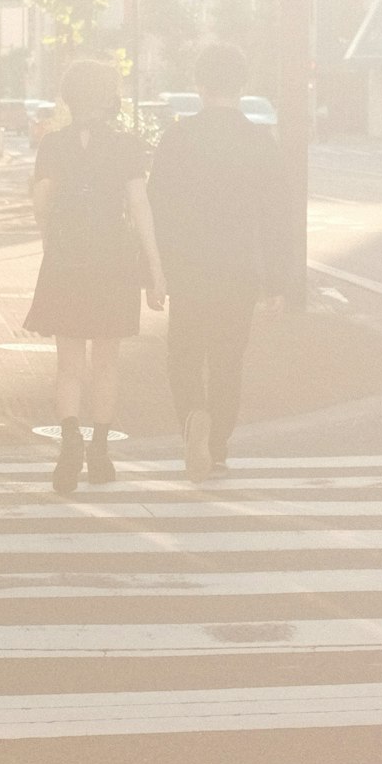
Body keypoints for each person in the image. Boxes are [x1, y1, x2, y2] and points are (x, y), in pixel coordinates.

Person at [25, 58, 166, 494]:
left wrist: (51, 237)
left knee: (68, 364)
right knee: (106, 363)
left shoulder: (53, 144)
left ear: (69, 98)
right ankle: (100, 451)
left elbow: (42, 199)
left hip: (66, 261)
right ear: (109, 97)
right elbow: (139, 206)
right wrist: (155, 271)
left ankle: (69, 443)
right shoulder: (127, 146)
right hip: (113, 262)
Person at [148, 42, 288, 481]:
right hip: (240, 267)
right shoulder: (259, 141)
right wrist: (277, 281)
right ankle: (219, 443)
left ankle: (192, 417)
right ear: (242, 85)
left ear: (199, 84)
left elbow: (156, 207)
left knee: (184, 353)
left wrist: (154, 272)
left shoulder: (178, 138)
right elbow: (275, 215)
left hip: (188, 267)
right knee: (229, 359)